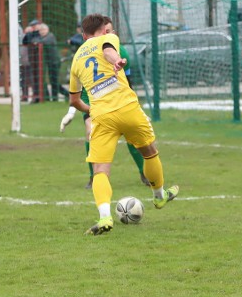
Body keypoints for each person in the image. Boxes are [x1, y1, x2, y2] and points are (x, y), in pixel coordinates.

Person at [67, 13, 179, 236]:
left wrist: (92, 109)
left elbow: (74, 100)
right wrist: (116, 60)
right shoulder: (109, 39)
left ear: (83, 34)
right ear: (104, 31)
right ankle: (159, 196)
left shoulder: (76, 59)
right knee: (149, 151)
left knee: (100, 170)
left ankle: (104, 217)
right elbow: (108, 50)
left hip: (101, 116)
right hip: (127, 108)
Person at [60, 17, 149, 189]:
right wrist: (73, 111)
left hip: (120, 101)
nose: (107, 34)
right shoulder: (83, 54)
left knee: (134, 137)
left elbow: (128, 83)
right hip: (94, 102)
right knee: (90, 131)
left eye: (110, 31)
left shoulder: (121, 51)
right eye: (105, 31)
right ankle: (94, 176)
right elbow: (77, 93)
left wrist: (136, 107)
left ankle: (144, 172)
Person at [36, 23, 60, 101]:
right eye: (40, 30)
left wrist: (37, 42)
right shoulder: (41, 38)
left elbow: (44, 41)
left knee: (54, 81)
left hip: (55, 62)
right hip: (48, 62)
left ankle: (57, 97)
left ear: (47, 30)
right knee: (50, 80)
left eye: (43, 30)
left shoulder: (50, 36)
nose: (42, 32)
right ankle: (51, 97)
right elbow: (35, 40)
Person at [22, 19, 42, 102]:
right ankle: (35, 96)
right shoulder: (30, 34)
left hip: (40, 61)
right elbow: (25, 42)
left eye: (35, 26)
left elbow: (38, 40)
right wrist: (27, 33)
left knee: (39, 79)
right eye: (32, 26)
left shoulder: (41, 33)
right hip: (32, 61)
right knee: (33, 79)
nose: (34, 28)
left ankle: (40, 96)